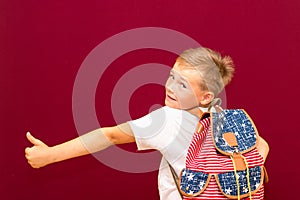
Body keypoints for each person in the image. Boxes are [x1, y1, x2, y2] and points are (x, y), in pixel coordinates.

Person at [25, 47, 269, 199]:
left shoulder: (166, 119)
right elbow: (262, 147)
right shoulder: (227, 118)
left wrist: (50, 155)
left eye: (182, 85)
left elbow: (109, 136)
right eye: (171, 77)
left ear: (205, 96)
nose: (169, 87)